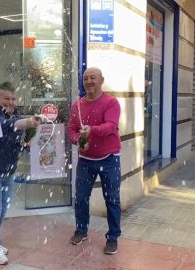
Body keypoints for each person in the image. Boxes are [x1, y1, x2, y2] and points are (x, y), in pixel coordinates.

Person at [0, 82, 39, 265]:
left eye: (12, 98)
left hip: (8, 169)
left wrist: (24, 144)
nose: (10, 102)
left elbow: (13, 134)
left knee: (2, 208)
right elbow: (6, 125)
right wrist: (26, 122)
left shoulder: (15, 113)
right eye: (6, 98)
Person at [68, 67, 121, 255]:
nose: (89, 81)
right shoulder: (77, 106)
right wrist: (77, 140)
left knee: (112, 199)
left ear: (101, 80)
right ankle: (81, 230)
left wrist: (92, 130)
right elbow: (72, 129)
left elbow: (111, 126)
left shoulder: (111, 102)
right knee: (81, 197)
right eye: (85, 78)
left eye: (93, 78)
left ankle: (113, 237)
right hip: (86, 159)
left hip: (109, 158)